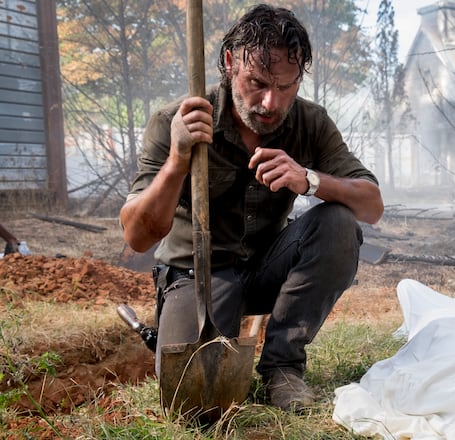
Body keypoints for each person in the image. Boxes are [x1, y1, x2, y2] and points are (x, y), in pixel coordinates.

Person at [119, 4, 383, 412]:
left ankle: (282, 368)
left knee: (338, 222)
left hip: (266, 269)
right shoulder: (175, 120)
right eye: (256, 83)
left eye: (286, 86)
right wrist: (177, 160)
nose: (270, 102)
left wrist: (309, 179)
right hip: (198, 275)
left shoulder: (310, 122)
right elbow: (138, 237)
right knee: (194, 407)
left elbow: (372, 206)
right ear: (229, 63)